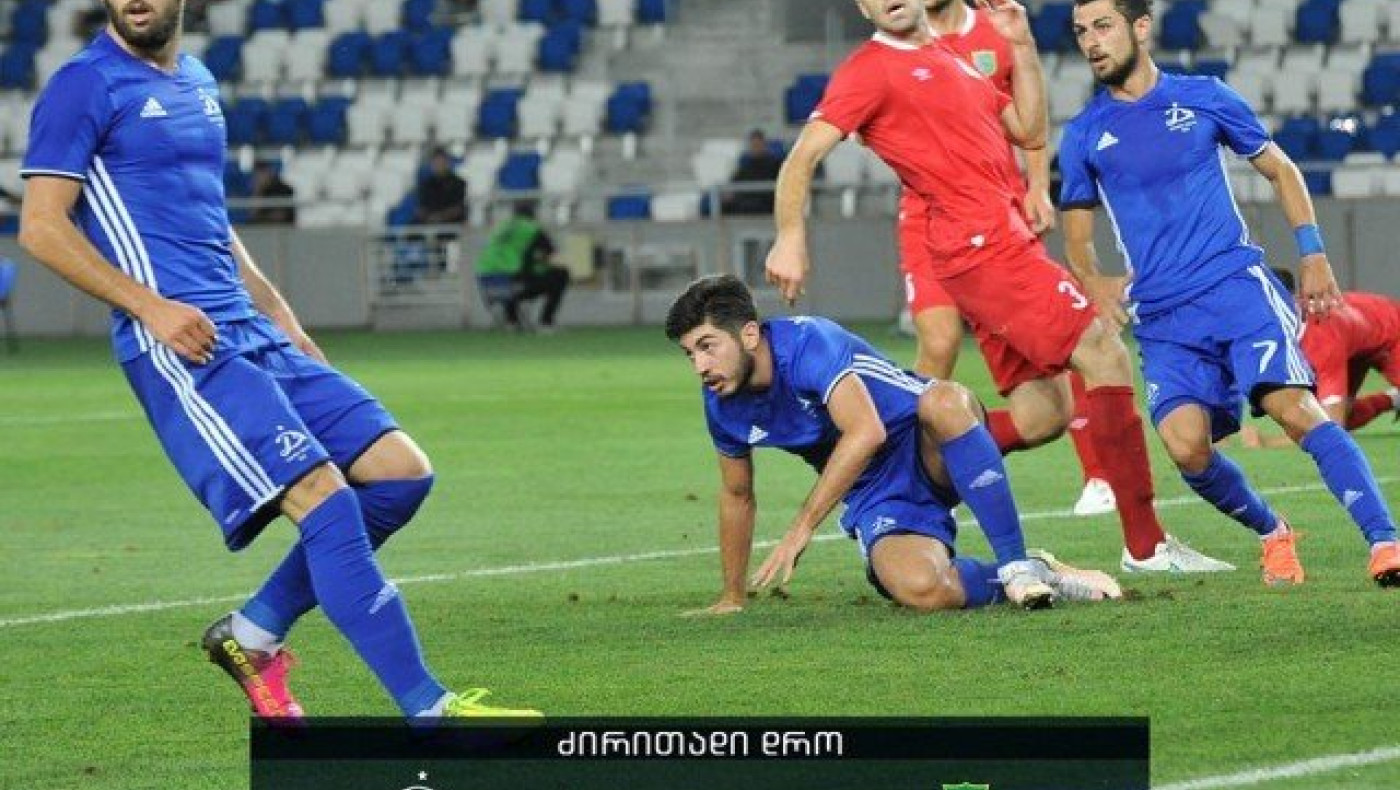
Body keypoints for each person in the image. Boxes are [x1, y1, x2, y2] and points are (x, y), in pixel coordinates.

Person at [18, 0, 539, 721]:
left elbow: (210, 218)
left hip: (247, 328)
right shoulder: (84, 84)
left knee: (398, 475)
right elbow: (41, 228)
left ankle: (253, 632)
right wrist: (151, 307)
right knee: (323, 497)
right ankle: (430, 711)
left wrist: (280, 315)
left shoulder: (196, 79)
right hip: (180, 342)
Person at [764, 0, 1230, 574]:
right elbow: (803, 155)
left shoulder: (948, 56)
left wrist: (1024, 48)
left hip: (997, 240)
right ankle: (1147, 545)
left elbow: (1028, 131)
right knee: (1104, 353)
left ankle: (910, 463)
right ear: (862, 8)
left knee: (1042, 417)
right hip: (981, 246)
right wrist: (789, 237)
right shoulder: (868, 68)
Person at [1058, 0, 1400, 586]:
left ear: (1141, 28)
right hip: (1164, 316)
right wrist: (1093, 279)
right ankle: (1275, 533)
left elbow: (1281, 170)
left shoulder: (1204, 96)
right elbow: (1077, 233)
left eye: (1104, 26)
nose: (1091, 42)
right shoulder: (1085, 133)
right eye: (1081, 32)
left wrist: (1313, 252)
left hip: (1235, 290)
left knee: (1292, 408)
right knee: (1186, 447)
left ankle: (1385, 542)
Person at [666, 275, 1122, 615]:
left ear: (748, 334)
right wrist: (731, 595)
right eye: (691, 354)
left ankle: (1015, 562)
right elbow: (736, 495)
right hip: (873, 490)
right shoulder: (723, 404)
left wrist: (802, 526)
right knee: (923, 590)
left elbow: (866, 431)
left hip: (924, 439)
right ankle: (1040, 574)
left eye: (708, 346)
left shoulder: (809, 343)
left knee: (944, 399)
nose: (700, 366)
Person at [901, 0, 1115, 517]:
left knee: (1062, 345)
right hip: (928, 217)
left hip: (1000, 215)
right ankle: (911, 475)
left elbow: (1029, 115)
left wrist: (1039, 185)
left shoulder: (995, 30)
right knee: (940, 341)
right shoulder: (902, 40)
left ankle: (1098, 477)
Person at [1236, 268, 1400, 448]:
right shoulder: (1272, 328)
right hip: (1356, 338)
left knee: (1327, 422)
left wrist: (1268, 442)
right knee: (1338, 414)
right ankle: (1393, 399)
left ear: (1295, 301)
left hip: (1391, 330)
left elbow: (1332, 426)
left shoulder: (1322, 338)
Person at [475, 201, 570, 331]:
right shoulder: (531, 228)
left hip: (485, 283)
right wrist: (539, 264)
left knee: (517, 274)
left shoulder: (501, 227)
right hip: (511, 281)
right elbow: (551, 254)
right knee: (561, 274)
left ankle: (511, 320)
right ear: (533, 215)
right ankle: (545, 322)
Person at [722, 129, 784, 216]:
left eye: (758, 144)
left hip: (766, 202)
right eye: (753, 145)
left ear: (764, 144)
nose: (755, 147)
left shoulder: (775, 164)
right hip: (745, 201)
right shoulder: (745, 165)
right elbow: (734, 182)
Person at [415, 147, 468, 227]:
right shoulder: (425, 184)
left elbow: (459, 208)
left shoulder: (459, 183)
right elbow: (421, 208)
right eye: (436, 162)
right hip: (429, 224)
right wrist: (430, 217)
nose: (439, 165)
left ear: (448, 162)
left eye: (442, 161)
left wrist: (440, 217)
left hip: (452, 225)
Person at [248, 161, 296, 225]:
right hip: (263, 228)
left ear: (270, 171)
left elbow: (279, 216)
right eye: (257, 174)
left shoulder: (284, 188)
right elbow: (252, 214)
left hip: (283, 229)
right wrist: (259, 191)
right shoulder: (258, 189)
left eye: (263, 172)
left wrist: (262, 217)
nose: (260, 177)